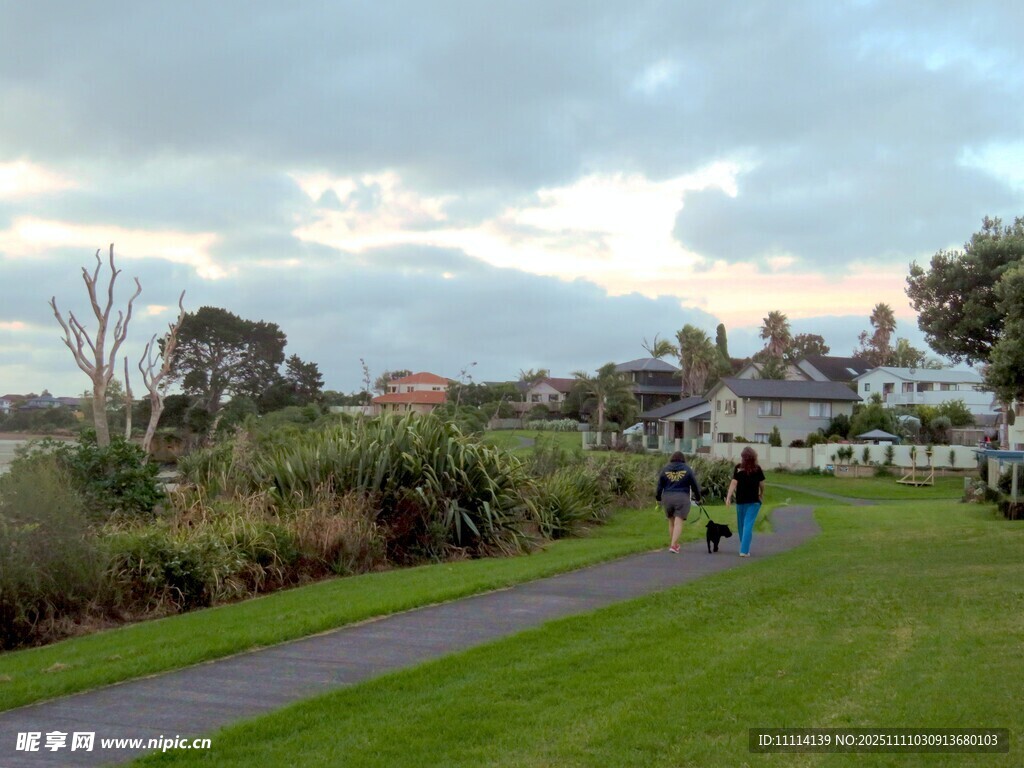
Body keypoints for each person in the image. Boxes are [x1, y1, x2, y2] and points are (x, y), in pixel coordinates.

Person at [655, 451, 703, 553]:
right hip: (682, 497)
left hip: (667, 497)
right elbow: (694, 485)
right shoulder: (687, 469)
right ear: (683, 459)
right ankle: (673, 545)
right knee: (678, 522)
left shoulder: (665, 469)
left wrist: (658, 499)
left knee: (671, 522)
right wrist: (698, 498)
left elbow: (659, 486)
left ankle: (674, 544)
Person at [725, 446, 765, 557]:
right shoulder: (757, 468)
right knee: (747, 525)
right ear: (754, 457)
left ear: (743, 457)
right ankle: (744, 549)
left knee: (742, 525)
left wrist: (728, 497)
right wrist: (761, 494)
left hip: (740, 501)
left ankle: (744, 548)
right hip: (753, 501)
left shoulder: (738, 468)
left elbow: (733, 483)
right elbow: (762, 484)